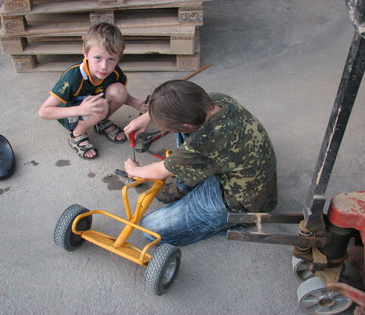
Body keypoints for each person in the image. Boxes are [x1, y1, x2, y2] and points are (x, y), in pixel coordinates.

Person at [124, 80, 277, 246]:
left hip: (243, 200)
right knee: (186, 138)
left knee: (151, 229)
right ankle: (185, 186)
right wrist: (148, 116)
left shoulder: (203, 141)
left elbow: (160, 171)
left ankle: (234, 222)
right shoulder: (218, 101)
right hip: (247, 173)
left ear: (186, 125)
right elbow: (186, 111)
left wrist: (134, 170)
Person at [38, 22, 148, 159]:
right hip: (69, 113)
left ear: (119, 57)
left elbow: (121, 94)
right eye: (97, 58)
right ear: (85, 52)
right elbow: (44, 112)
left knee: (119, 90)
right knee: (100, 106)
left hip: (92, 106)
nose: (104, 66)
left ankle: (100, 121)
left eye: (111, 59)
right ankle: (77, 134)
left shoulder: (114, 72)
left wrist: (135, 103)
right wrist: (80, 110)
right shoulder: (73, 78)